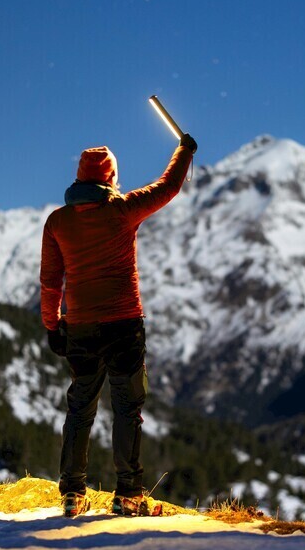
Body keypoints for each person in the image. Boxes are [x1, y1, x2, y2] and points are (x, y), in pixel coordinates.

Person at [40, 133, 197, 517]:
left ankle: (73, 495)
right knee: (127, 410)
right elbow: (168, 186)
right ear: (110, 179)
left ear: (79, 179)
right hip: (125, 325)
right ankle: (129, 495)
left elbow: (50, 280)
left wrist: (52, 326)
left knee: (80, 408)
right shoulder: (123, 210)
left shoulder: (58, 222)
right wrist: (185, 150)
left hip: (80, 328)